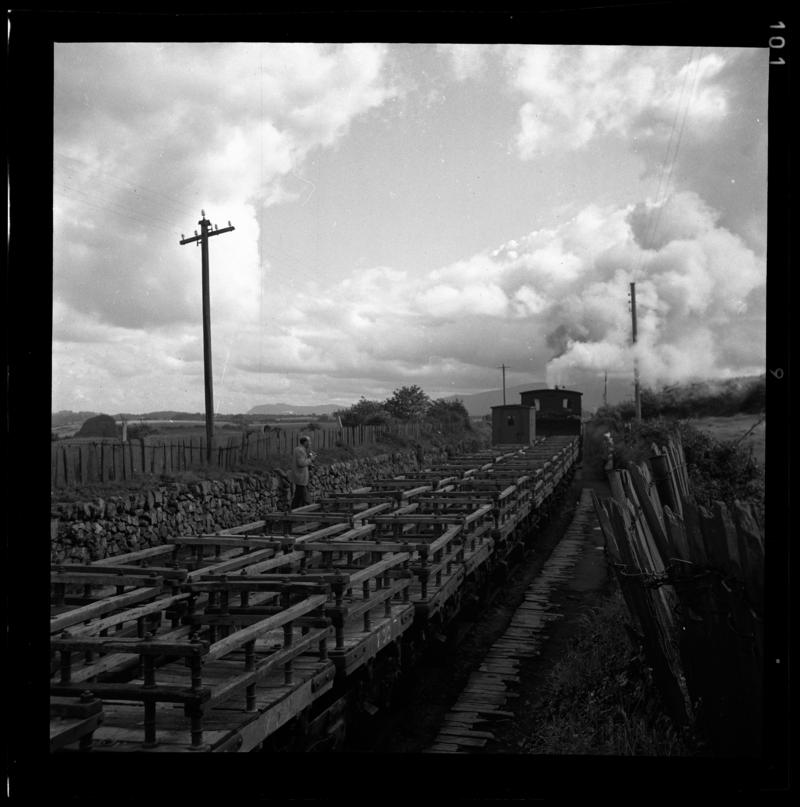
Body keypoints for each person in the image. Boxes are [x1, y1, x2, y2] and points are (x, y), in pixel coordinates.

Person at [291, 435, 315, 509]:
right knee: (303, 496)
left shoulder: (301, 450)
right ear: (305, 442)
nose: (310, 443)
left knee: (298, 496)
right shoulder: (300, 450)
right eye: (309, 441)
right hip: (300, 477)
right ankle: (310, 509)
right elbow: (301, 463)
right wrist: (311, 459)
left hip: (301, 477)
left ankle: (294, 510)